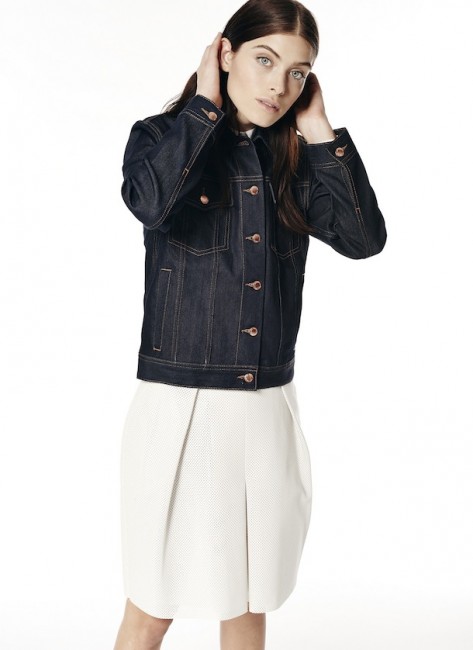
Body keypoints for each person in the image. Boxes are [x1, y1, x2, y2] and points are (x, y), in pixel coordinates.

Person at [113, 0, 387, 648]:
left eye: (298, 72)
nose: (279, 85)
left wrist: (318, 128)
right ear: (225, 53)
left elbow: (363, 239)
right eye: (265, 60)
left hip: (264, 406)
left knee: (247, 603)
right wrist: (205, 105)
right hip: (181, 407)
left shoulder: (294, 155)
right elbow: (150, 202)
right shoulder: (161, 138)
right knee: (152, 604)